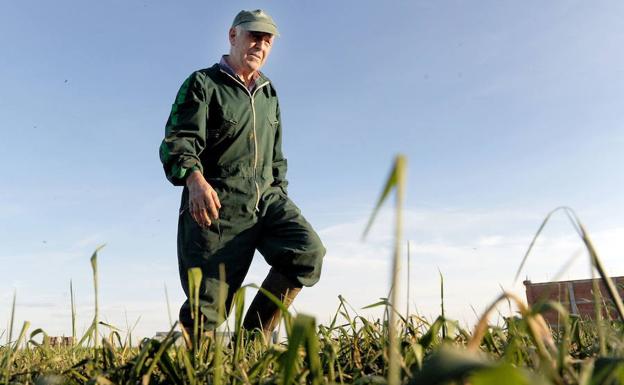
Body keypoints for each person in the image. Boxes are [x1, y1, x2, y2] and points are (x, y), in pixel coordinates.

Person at [159, 9, 325, 338]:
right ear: (234, 36)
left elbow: (276, 154)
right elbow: (178, 141)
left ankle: (251, 341)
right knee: (208, 306)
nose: (260, 45)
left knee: (307, 252)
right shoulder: (203, 84)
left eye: (267, 40)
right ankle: (192, 366)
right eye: (254, 36)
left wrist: (280, 193)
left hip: (268, 199)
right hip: (218, 204)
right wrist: (194, 179)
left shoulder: (268, 92)